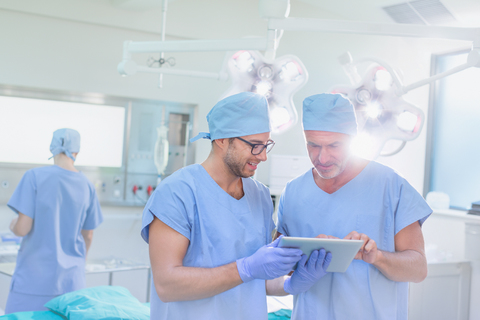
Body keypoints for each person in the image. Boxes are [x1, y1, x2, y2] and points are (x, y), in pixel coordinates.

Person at [141, 92, 331, 320]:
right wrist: (245, 268)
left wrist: (292, 283)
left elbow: (260, 281)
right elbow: (167, 286)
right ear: (222, 139)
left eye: (266, 145)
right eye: (254, 146)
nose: (262, 157)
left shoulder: (259, 196)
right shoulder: (177, 193)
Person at [276, 93, 432, 320]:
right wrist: (303, 260)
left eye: (334, 145)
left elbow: (418, 269)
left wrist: (377, 256)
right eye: (313, 145)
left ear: (352, 138)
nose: (322, 157)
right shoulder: (293, 192)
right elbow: (278, 268)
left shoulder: (388, 185)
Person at [5, 128, 103, 314]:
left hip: (34, 281)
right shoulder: (87, 185)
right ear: (76, 152)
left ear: (52, 148)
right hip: (71, 283)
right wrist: (80, 262)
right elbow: (88, 235)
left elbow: (23, 228)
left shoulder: (34, 177)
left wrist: (13, 225)